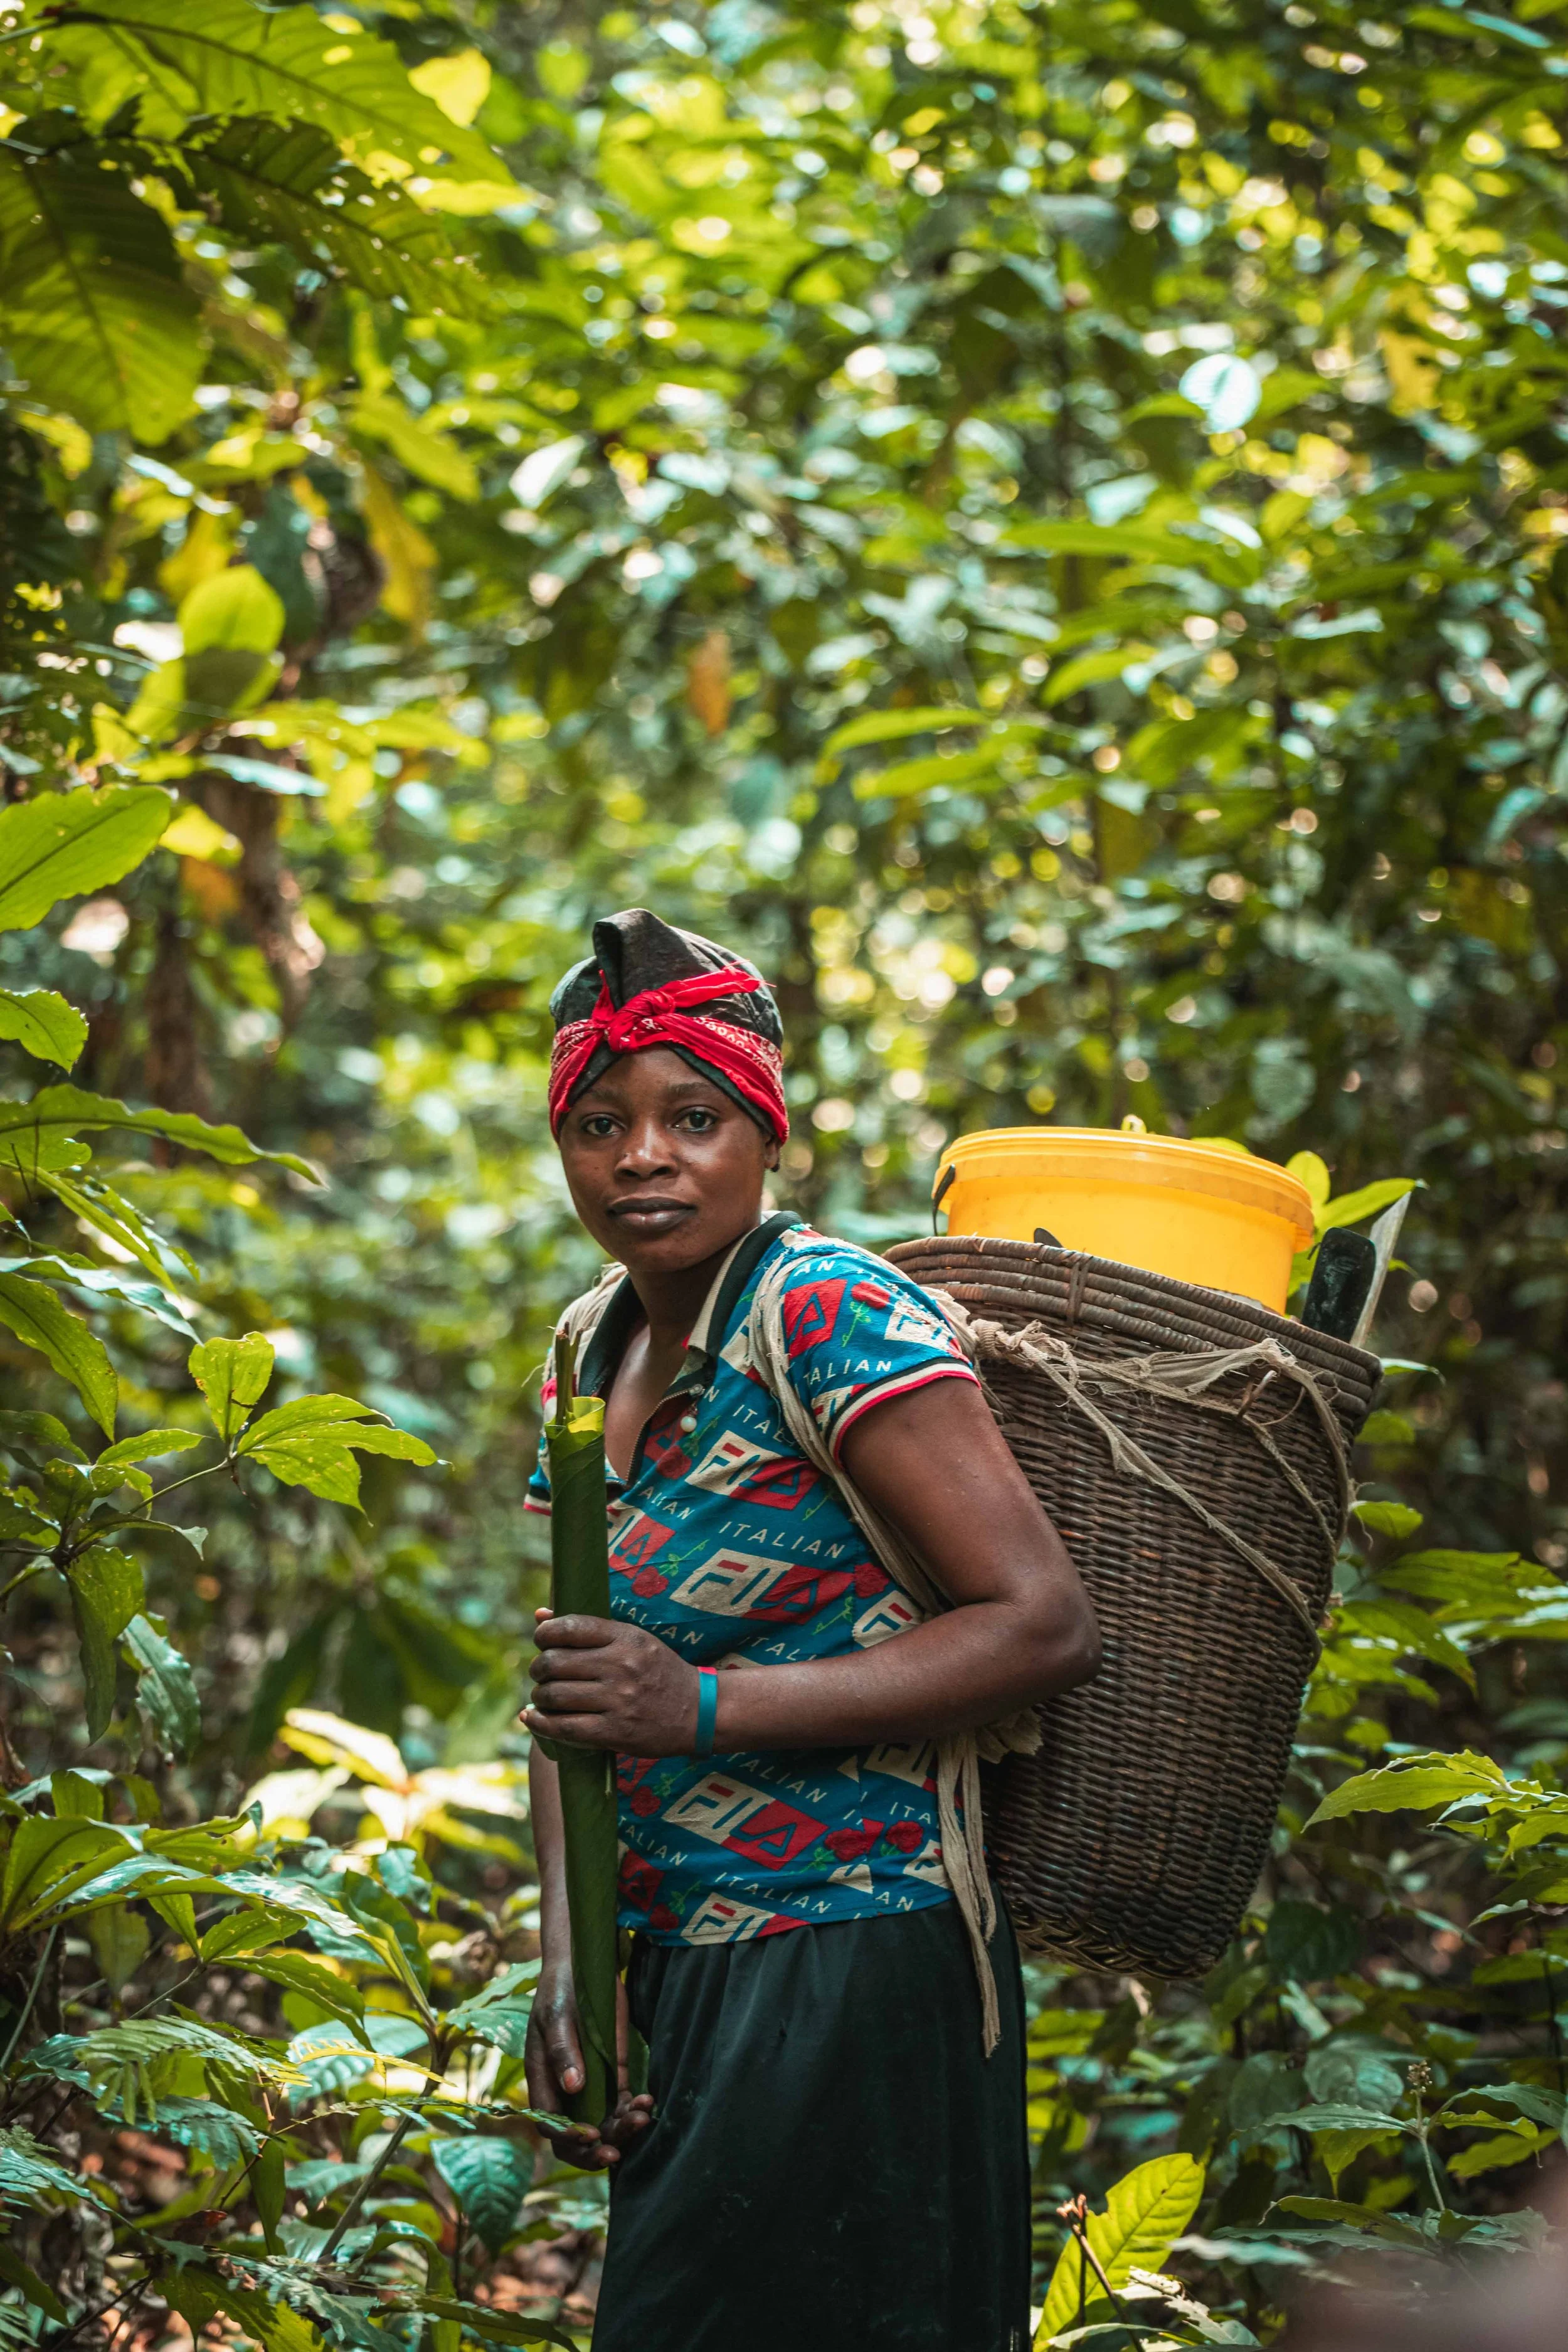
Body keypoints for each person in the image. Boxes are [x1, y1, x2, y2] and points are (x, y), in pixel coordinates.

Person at [521, 908, 1100, 2352]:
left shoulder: (828, 1309)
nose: (641, 1156)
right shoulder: (589, 1347)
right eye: (599, 1123)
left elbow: (1039, 1625)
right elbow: (580, 1692)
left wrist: (700, 1711)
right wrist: (569, 1967)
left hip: (852, 1958)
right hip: (678, 1969)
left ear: (763, 1134)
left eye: (691, 1117)